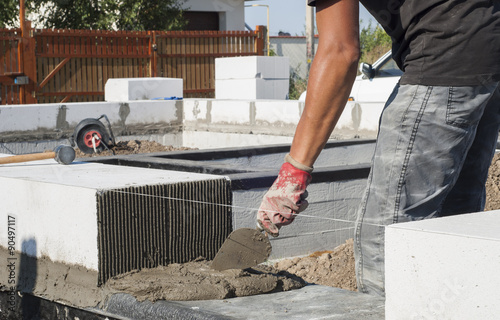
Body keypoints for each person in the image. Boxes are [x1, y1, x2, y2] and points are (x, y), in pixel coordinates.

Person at [256, 0, 500, 296]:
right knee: (455, 223)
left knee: (386, 240)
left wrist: (295, 168)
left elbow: (340, 51)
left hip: (445, 50)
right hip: (490, 47)